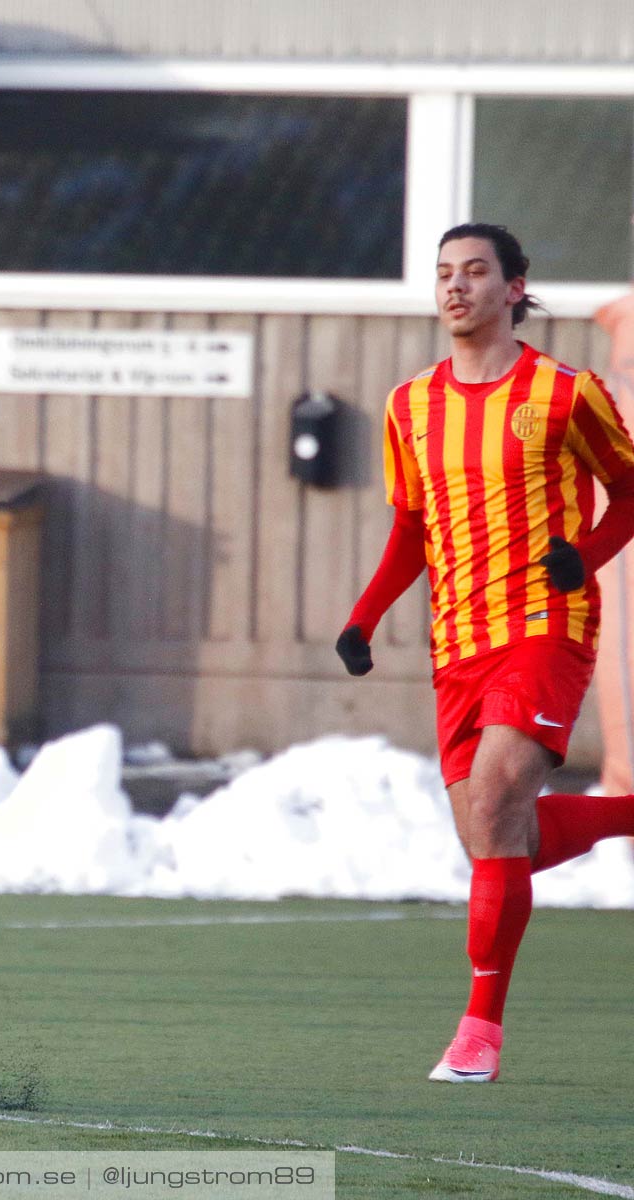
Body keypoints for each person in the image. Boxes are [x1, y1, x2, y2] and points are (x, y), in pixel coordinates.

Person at [338, 223, 634, 1082]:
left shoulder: (565, 392)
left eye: (475, 272)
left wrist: (589, 554)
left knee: (502, 795)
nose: (456, 287)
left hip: (546, 629)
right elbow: (410, 530)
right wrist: (363, 618)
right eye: (444, 274)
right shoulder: (409, 405)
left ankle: (478, 1030)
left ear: (515, 288)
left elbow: (629, 489)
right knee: (495, 837)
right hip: (457, 643)